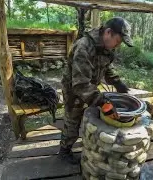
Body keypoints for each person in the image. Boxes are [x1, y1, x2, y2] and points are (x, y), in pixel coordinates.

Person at [58, 17, 133, 164]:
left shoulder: (106, 48)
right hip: (74, 89)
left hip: (89, 88)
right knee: (73, 119)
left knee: (88, 115)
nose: (117, 46)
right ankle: (64, 151)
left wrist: (117, 82)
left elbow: (107, 67)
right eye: (118, 41)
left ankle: (84, 140)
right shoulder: (84, 47)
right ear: (108, 32)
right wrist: (102, 102)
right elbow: (80, 85)